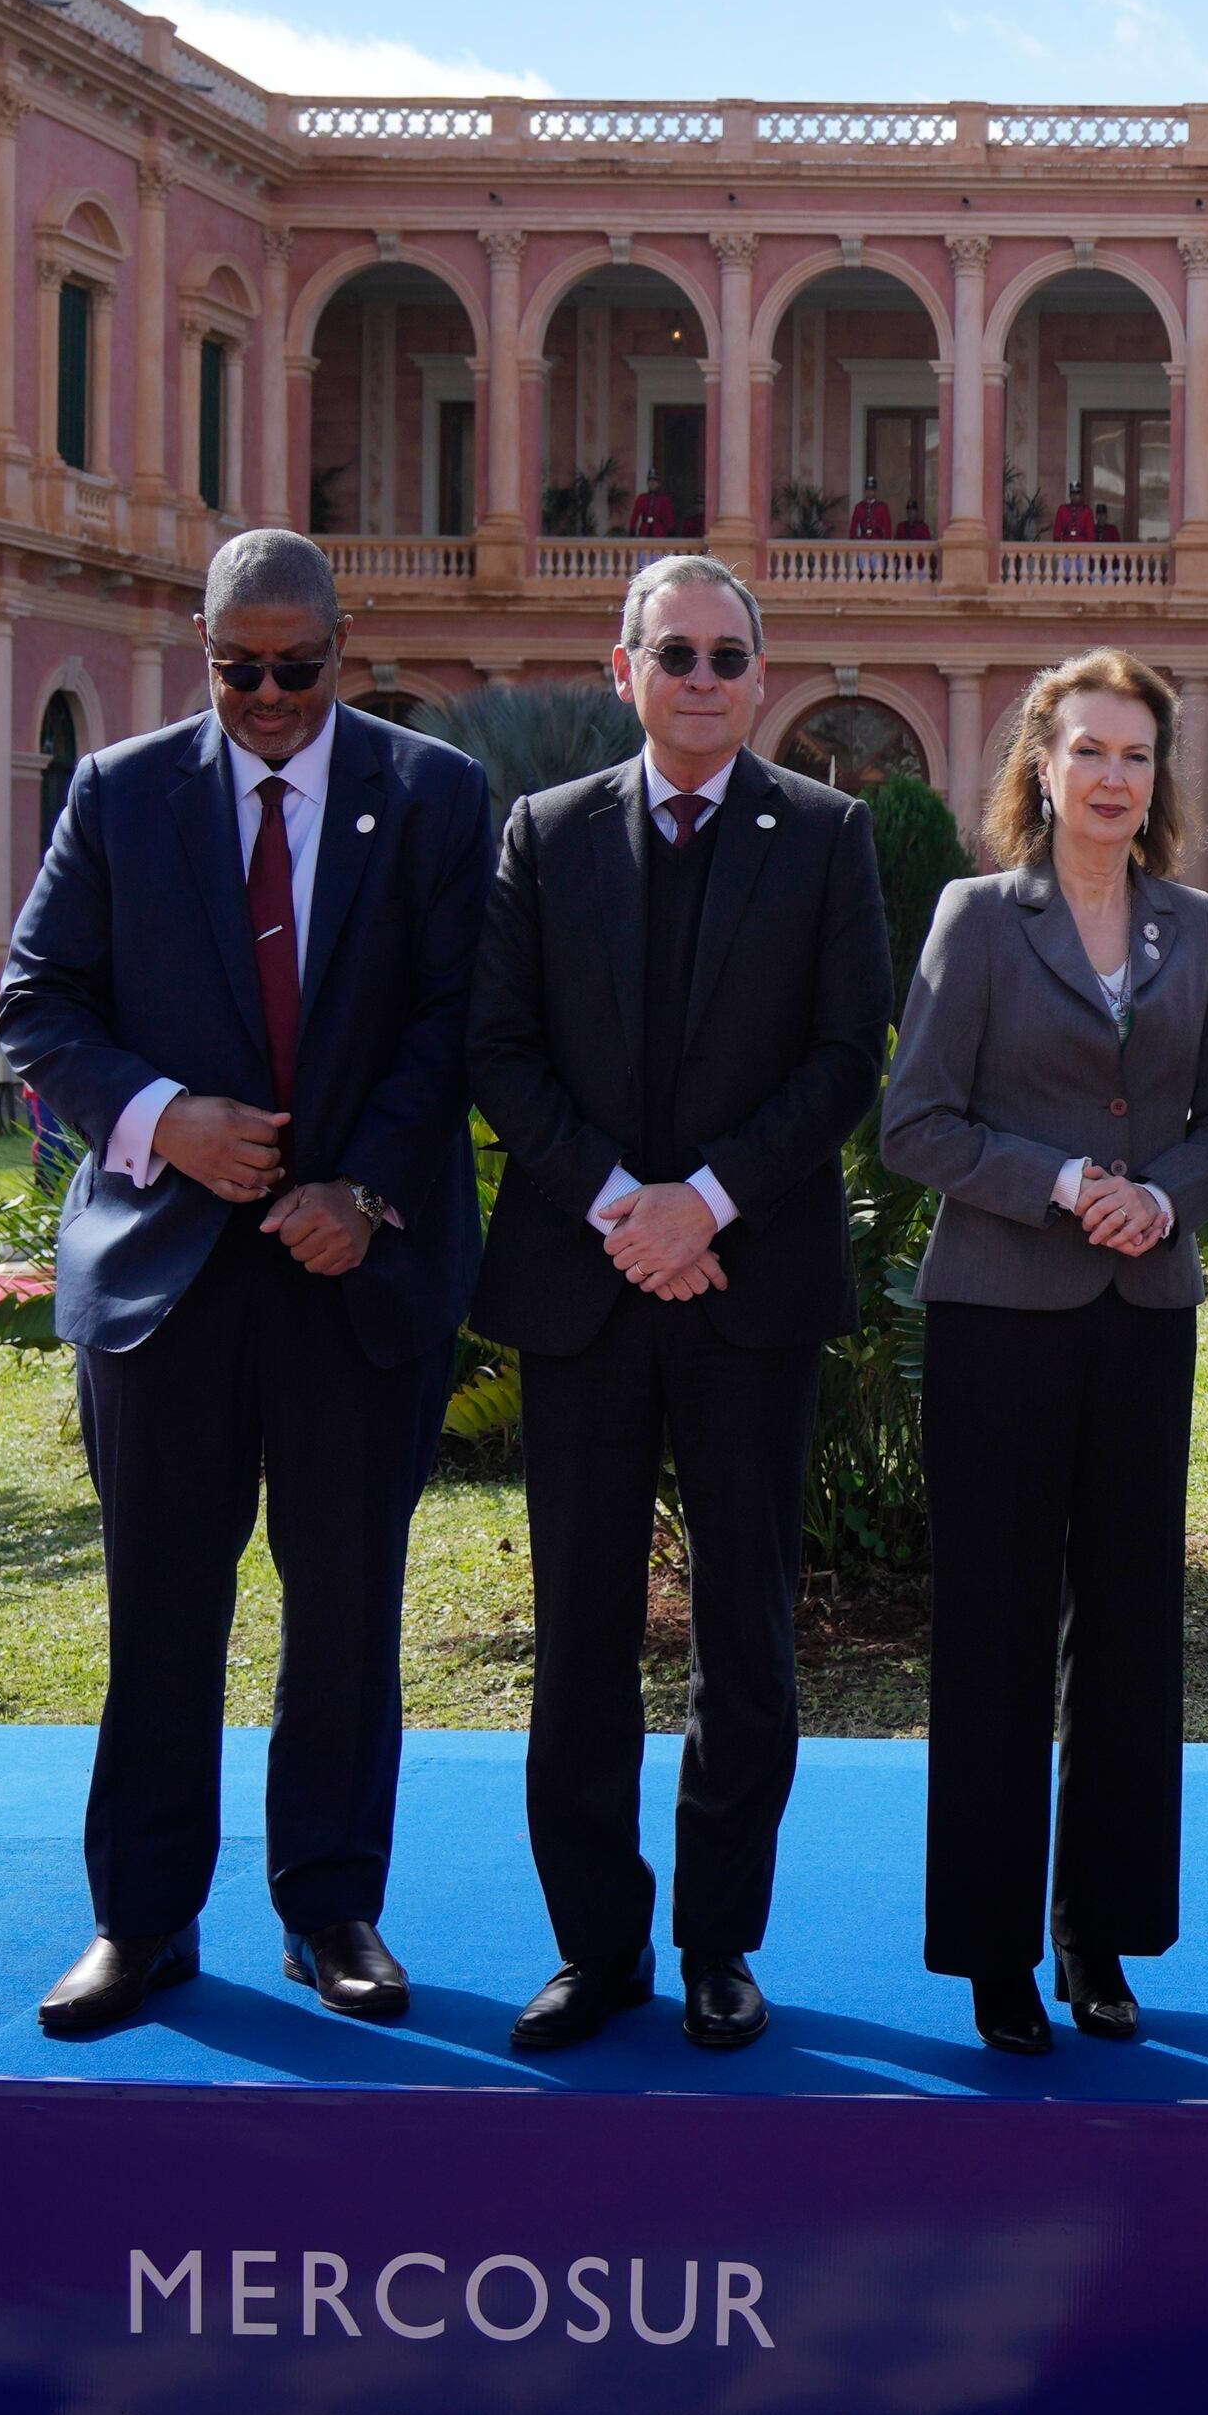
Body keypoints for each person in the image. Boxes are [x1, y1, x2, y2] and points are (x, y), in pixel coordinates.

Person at [0, 532, 492, 2038]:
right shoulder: (121, 792)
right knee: (161, 1607)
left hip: (355, 1269)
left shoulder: (431, 796)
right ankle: (140, 1923)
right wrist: (164, 1121)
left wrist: (370, 1191)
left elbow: (459, 1016)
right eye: (239, 668)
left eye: (298, 666)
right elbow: (39, 1002)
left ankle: (331, 1906)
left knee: (345, 1606)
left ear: (344, 646)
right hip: (166, 1279)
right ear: (205, 649)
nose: (269, 695)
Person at [472, 555, 894, 2055]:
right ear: (624, 668)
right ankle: (596, 1948)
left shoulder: (828, 835)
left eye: (728, 657)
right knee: (580, 1631)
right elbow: (500, 1047)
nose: (702, 677)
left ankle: (721, 1941)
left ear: (760, 679)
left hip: (746, 1284)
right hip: (585, 1289)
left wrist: (703, 1204)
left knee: (746, 1635)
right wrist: (620, 1209)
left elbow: (847, 1053)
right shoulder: (542, 833)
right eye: (675, 654)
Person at [876, 650, 1208, 2055]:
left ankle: (1100, 1937)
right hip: (998, 1321)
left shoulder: (1192, 931)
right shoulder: (978, 919)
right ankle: (991, 1950)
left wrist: (1166, 1195)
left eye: (1135, 756)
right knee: (991, 1634)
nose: (1111, 777)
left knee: (1131, 1637)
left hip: (1141, 1319)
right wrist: (1059, 1181)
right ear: (1040, 765)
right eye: (1087, 750)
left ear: (1159, 781)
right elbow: (914, 1124)